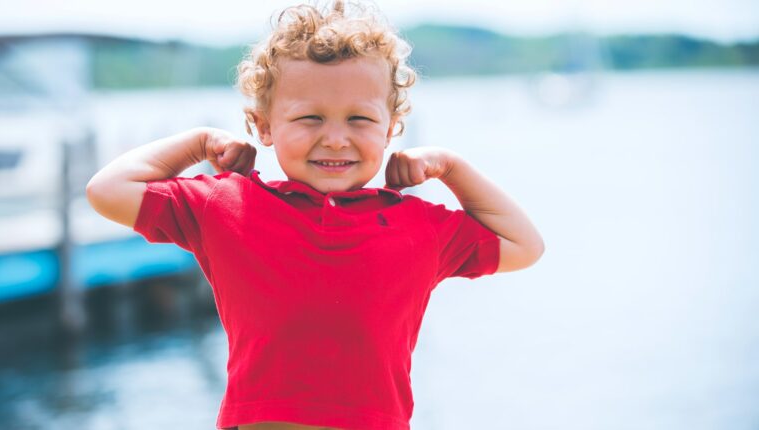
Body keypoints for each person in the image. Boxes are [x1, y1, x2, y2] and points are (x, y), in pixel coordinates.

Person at [86, 1, 544, 429]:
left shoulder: (418, 224)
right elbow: (107, 190)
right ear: (264, 126)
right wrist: (198, 143)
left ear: (391, 129)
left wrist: (451, 166)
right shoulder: (226, 205)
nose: (336, 139)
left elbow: (526, 246)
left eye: (360, 120)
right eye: (310, 118)